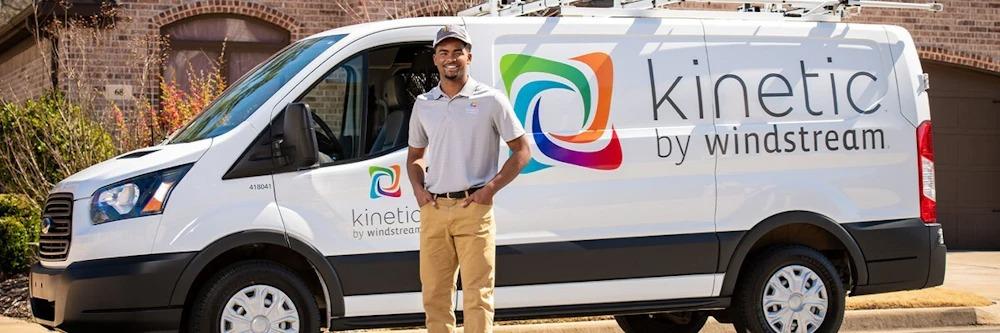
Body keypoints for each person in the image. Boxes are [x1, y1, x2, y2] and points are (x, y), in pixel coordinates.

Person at [406, 24, 531, 333]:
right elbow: (415, 156)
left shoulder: (491, 99)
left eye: (457, 52)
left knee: (478, 295)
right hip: (435, 210)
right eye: (443, 52)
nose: (450, 58)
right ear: (435, 59)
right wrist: (419, 190)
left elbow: (522, 151)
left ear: (469, 57)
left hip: (474, 209)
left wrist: (489, 190)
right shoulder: (424, 104)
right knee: (435, 296)